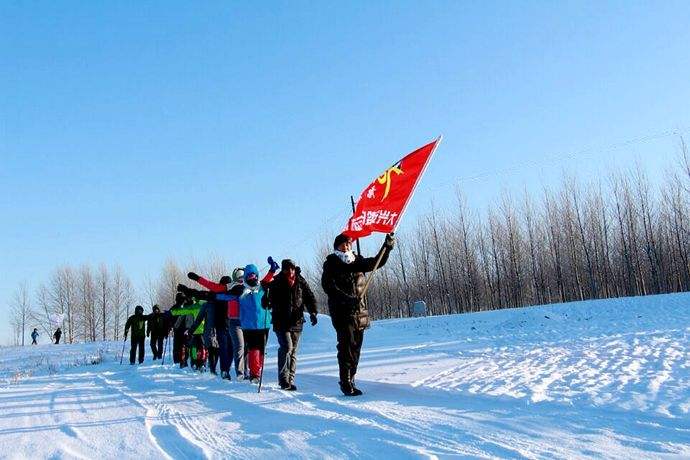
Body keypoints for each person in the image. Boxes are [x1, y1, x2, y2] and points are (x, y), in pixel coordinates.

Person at [321, 232, 395, 396]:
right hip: (342, 312)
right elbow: (329, 287)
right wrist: (348, 299)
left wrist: (387, 247)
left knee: (356, 348)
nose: (346, 247)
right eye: (343, 245)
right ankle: (345, 382)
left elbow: (377, 262)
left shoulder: (357, 261)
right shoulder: (331, 264)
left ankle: (351, 377)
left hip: (359, 312)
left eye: (348, 244)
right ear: (337, 247)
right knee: (346, 346)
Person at [263, 258, 318, 391]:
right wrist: (266, 300)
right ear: (283, 269)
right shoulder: (276, 281)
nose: (290, 271)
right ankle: (283, 380)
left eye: (292, 268)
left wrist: (313, 312)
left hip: (297, 321)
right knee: (287, 347)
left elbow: (309, 297)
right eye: (287, 269)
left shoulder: (300, 281)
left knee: (293, 352)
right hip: (281, 321)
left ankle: (290, 380)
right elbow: (265, 291)